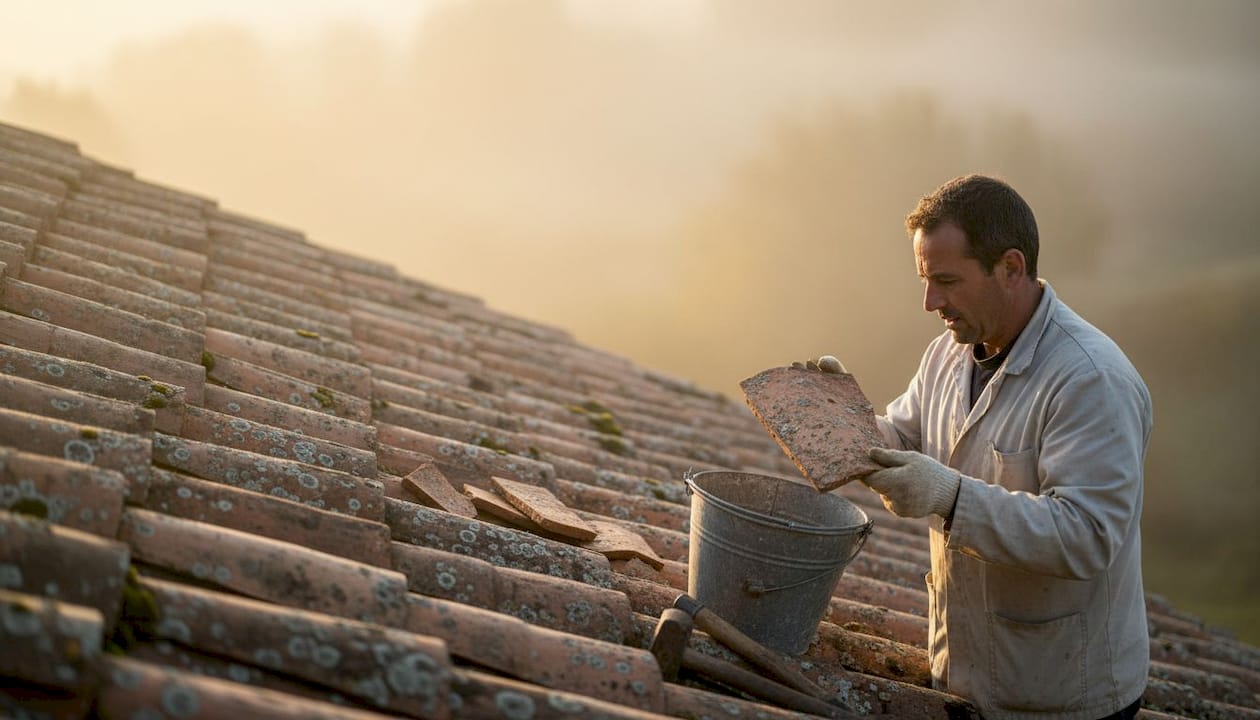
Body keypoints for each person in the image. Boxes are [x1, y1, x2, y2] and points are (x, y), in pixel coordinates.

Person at [806, 175, 1151, 720]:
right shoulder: (949, 352)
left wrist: (949, 496)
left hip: (1064, 697)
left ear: (1011, 268)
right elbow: (904, 438)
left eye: (946, 280)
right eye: (925, 279)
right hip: (967, 677)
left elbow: (1088, 536)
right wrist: (844, 423)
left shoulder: (1090, 379)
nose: (929, 301)